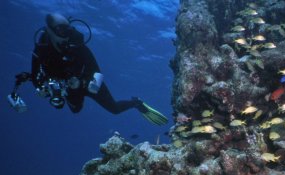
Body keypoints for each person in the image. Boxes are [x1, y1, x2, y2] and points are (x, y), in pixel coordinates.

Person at [12, 13, 168, 125]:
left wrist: (82, 83)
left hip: (88, 83)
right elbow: (35, 74)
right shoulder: (41, 49)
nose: (66, 35)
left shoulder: (77, 45)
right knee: (75, 110)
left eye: (68, 29)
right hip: (67, 87)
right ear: (49, 30)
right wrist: (42, 88)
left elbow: (97, 71)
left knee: (114, 109)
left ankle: (137, 103)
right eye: (61, 30)